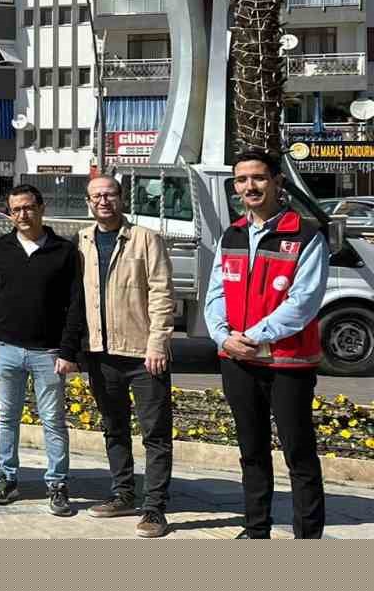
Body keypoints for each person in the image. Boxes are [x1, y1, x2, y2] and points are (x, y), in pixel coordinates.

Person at [204, 149, 327, 540]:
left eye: (257, 178)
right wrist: (224, 337)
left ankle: (307, 537)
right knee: (251, 450)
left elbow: (303, 303)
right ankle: (256, 530)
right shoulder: (233, 233)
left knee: (299, 454)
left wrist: (253, 337)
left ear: (277, 182)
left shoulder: (305, 235)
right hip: (237, 360)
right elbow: (215, 293)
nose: (249, 187)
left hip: (287, 363)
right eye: (241, 180)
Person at [74, 174, 176, 538]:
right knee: (113, 428)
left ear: (122, 198)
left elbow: (163, 294)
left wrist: (157, 343)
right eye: (97, 195)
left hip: (142, 354)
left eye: (110, 194)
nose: (104, 201)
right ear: (88, 202)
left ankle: (154, 507)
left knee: (155, 433)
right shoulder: (82, 240)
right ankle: (123, 494)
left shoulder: (146, 239)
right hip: (100, 353)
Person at [0, 184, 85, 517]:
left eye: (28, 207)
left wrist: (68, 352)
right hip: (6, 349)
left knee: (53, 420)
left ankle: (57, 484)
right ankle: (7, 478)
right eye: (16, 209)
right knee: (6, 418)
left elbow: (75, 305)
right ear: (9, 213)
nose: (23, 215)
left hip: (48, 353)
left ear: (41, 208)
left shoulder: (64, 251)